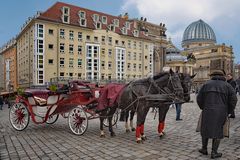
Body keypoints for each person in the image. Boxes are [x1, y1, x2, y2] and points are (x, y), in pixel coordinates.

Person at [197, 70, 237, 159]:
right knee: (218, 130)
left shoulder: (206, 84)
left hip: (207, 110)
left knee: (205, 128)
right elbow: (234, 100)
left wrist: (203, 107)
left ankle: (204, 148)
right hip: (222, 111)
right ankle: (214, 152)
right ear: (222, 76)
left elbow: (199, 98)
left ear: (212, 76)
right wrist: (229, 111)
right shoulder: (227, 86)